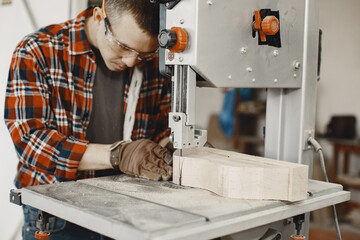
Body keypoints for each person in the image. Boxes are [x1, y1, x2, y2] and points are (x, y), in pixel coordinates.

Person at [4, 0, 173, 239]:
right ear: (98, 17)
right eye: (123, 47)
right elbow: (31, 143)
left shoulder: (150, 64)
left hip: (129, 209)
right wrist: (118, 155)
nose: (131, 62)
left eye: (143, 54)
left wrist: (172, 150)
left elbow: (158, 130)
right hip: (58, 217)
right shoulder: (38, 50)